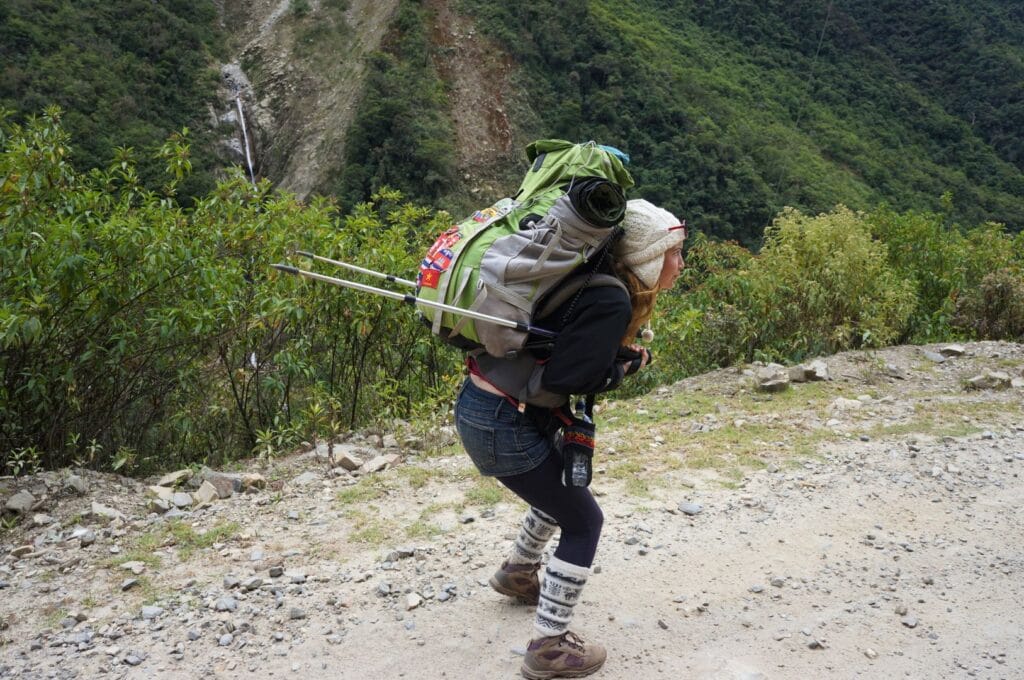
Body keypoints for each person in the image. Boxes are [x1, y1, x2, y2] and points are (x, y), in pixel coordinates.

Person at [453, 199, 687, 679]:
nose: (680, 264)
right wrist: (622, 368)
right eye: (673, 253)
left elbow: (562, 344)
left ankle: (518, 572)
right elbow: (570, 376)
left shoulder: (588, 277)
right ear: (645, 255)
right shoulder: (612, 297)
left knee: (563, 480)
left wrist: (611, 356)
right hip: (504, 421)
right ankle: (549, 648)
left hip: (485, 405)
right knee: (584, 523)